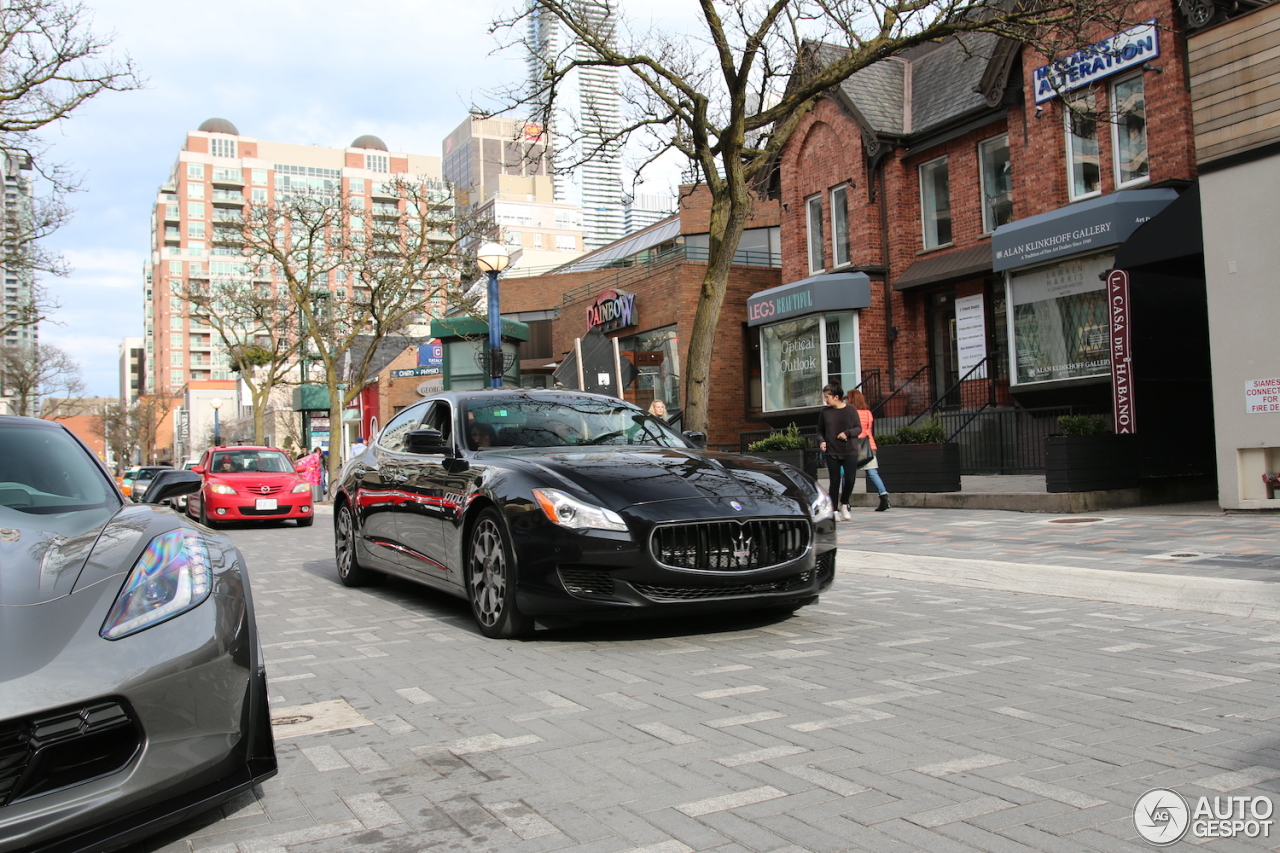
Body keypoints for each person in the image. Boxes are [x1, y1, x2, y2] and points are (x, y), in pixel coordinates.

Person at [816, 382, 862, 521]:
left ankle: (844, 503)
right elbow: (820, 431)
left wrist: (847, 433)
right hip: (832, 450)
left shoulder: (851, 409)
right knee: (834, 481)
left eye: (827, 397)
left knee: (850, 480)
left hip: (850, 450)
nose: (825, 400)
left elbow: (858, 428)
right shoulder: (825, 412)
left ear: (836, 397)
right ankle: (834, 510)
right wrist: (822, 441)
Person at [848, 388, 891, 511]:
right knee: (872, 473)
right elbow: (867, 429)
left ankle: (845, 502)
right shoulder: (868, 413)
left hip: (854, 447)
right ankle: (884, 497)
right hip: (869, 446)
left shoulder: (850, 413)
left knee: (847, 475)